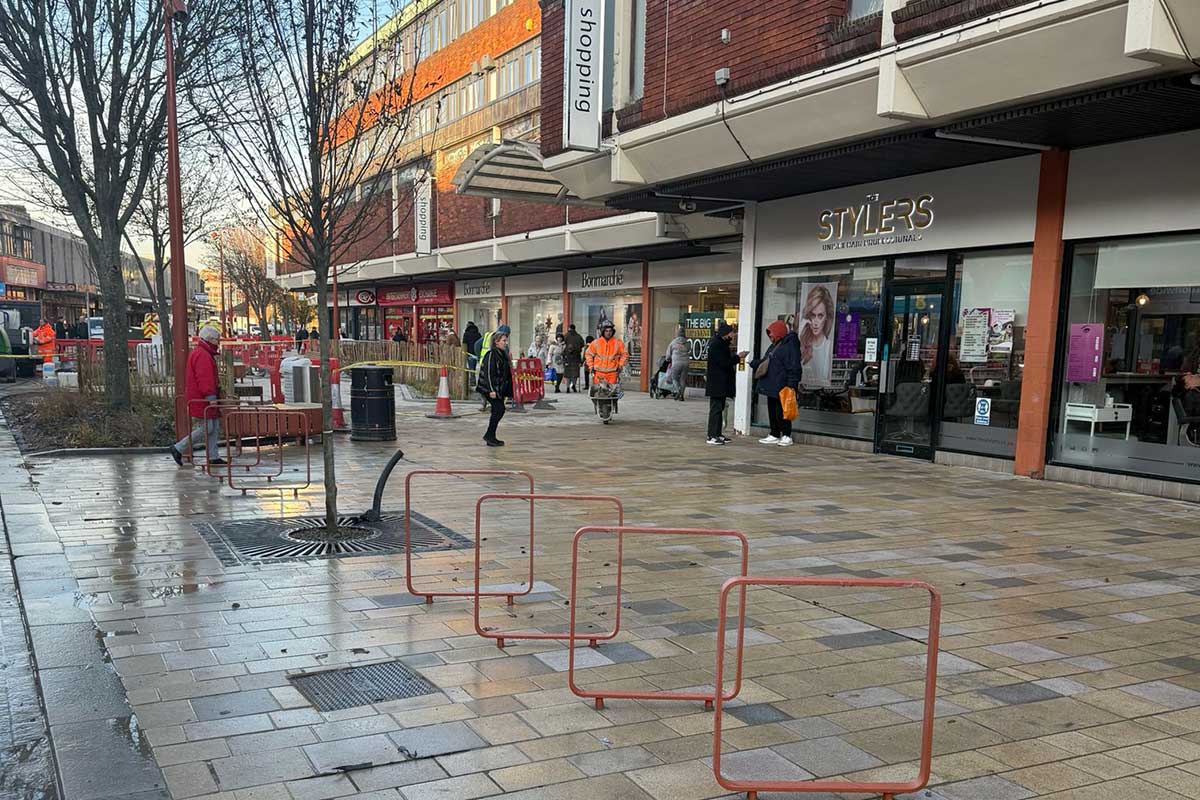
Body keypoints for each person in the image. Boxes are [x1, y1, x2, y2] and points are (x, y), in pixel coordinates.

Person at [169, 325, 225, 466]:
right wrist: (211, 397)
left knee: (213, 425)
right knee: (208, 427)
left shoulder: (200, 353)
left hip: (199, 397)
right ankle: (179, 447)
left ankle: (213, 456)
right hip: (202, 398)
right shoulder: (203, 355)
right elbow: (205, 379)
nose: (218, 343)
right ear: (209, 339)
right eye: (216, 340)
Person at [750, 320, 801, 446]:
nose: (770, 336)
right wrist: (754, 363)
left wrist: (791, 385)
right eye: (769, 334)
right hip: (772, 384)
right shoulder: (775, 345)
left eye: (771, 333)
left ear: (778, 333)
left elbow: (794, 367)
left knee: (783, 411)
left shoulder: (790, 346)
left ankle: (786, 435)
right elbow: (767, 361)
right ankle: (774, 433)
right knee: (772, 410)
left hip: (783, 385)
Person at [705, 321, 746, 445]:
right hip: (717, 383)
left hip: (721, 382)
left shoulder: (722, 344)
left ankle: (717, 434)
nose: (734, 335)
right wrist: (738, 357)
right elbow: (724, 363)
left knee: (720, 408)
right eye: (732, 333)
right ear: (726, 334)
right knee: (716, 409)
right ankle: (712, 435)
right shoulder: (717, 345)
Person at [477, 328, 513, 447]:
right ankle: (489, 435)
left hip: (499, 388)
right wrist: (491, 390)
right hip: (490, 388)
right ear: (496, 342)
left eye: (506, 340)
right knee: (499, 409)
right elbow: (489, 373)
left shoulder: (502, 354)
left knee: (498, 410)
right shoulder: (491, 355)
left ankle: (491, 436)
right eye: (503, 340)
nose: (506, 343)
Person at [799, 285, 835, 387]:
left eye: (820, 316)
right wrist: (800, 332)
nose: (815, 322)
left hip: (822, 392)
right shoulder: (802, 342)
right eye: (812, 315)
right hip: (803, 392)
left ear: (827, 317)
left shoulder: (829, 346)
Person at [585, 321, 628, 392]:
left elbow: (625, 354)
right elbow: (588, 354)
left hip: (612, 373)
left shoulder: (618, 343)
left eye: (610, 331)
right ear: (603, 331)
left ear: (613, 331)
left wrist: (620, 365)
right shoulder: (596, 343)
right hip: (599, 373)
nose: (608, 333)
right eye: (606, 331)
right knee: (599, 393)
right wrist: (591, 366)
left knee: (612, 394)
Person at [665, 326, 690, 401]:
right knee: (683, 379)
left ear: (677, 334)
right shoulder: (687, 343)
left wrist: (668, 358)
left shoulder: (673, 342)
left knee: (674, 378)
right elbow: (689, 349)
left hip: (676, 363)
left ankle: (678, 391)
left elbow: (668, 354)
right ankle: (681, 395)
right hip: (686, 363)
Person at [562, 324, 584, 393]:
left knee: (568, 374)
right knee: (575, 374)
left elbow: (563, 344)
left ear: (569, 328)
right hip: (576, 357)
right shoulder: (579, 336)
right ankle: (573, 385)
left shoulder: (566, 335)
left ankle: (568, 387)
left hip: (567, 356)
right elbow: (582, 344)